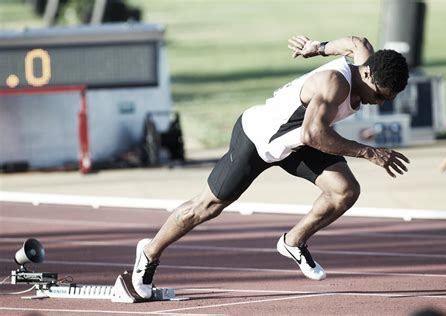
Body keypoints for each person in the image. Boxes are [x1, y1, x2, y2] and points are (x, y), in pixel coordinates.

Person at [132, 35, 410, 298]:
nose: (381, 102)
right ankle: (149, 254)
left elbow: (356, 42)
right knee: (207, 207)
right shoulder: (334, 84)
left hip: (297, 142)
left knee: (345, 191)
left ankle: (293, 242)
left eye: (389, 98)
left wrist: (317, 47)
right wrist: (367, 152)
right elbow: (314, 134)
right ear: (367, 74)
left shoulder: (367, 61)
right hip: (259, 138)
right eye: (381, 95)